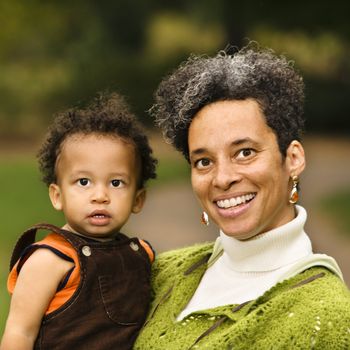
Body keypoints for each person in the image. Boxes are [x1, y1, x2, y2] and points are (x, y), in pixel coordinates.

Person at [134, 45, 350, 349]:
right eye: (204, 161)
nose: (222, 178)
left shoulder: (322, 316)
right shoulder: (164, 273)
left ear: (293, 158)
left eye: (245, 153)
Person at [0, 92, 157, 350]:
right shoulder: (49, 261)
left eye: (116, 183)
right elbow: (19, 333)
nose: (100, 196)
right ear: (57, 196)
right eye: (84, 182)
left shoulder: (142, 255)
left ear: (138, 200)